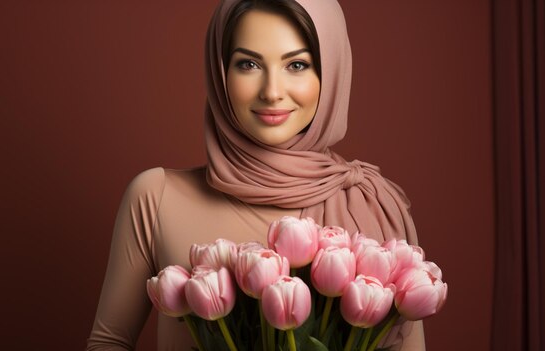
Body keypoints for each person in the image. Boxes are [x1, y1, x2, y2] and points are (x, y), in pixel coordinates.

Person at [86, 0, 425, 350]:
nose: (272, 91)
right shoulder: (155, 198)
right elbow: (108, 342)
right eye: (248, 64)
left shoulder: (372, 205)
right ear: (220, 73)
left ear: (333, 72)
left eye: (297, 64)